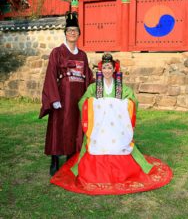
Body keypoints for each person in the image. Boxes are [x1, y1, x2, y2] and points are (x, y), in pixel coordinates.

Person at [50, 53, 173, 195]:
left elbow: (133, 101)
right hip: (99, 129)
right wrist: (94, 104)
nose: (107, 71)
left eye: (110, 68)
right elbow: (82, 102)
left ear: (114, 69)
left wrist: (122, 104)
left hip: (117, 131)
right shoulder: (94, 87)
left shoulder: (122, 88)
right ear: (101, 70)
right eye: (105, 68)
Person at [39, 11, 94, 176]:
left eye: (75, 31)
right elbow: (51, 75)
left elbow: (88, 77)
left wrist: (95, 91)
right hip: (62, 96)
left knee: (75, 127)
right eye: (69, 31)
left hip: (78, 98)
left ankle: (72, 157)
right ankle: (55, 159)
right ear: (65, 33)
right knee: (59, 126)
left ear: (79, 34)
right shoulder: (57, 52)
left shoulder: (83, 55)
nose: (72, 33)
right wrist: (54, 98)